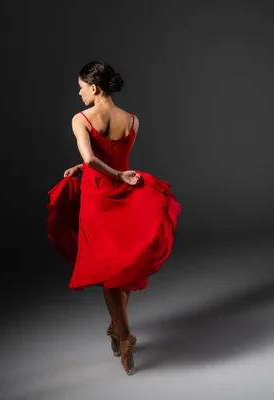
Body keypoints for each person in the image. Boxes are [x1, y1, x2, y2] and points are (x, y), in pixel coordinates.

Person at [46, 61, 181, 375]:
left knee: (109, 272)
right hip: (126, 194)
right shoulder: (132, 120)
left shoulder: (81, 119)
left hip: (99, 199)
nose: (79, 93)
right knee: (123, 265)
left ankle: (125, 336)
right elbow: (108, 157)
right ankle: (115, 326)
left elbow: (93, 157)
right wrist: (87, 169)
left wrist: (102, 171)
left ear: (94, 88)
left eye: (81, 87)